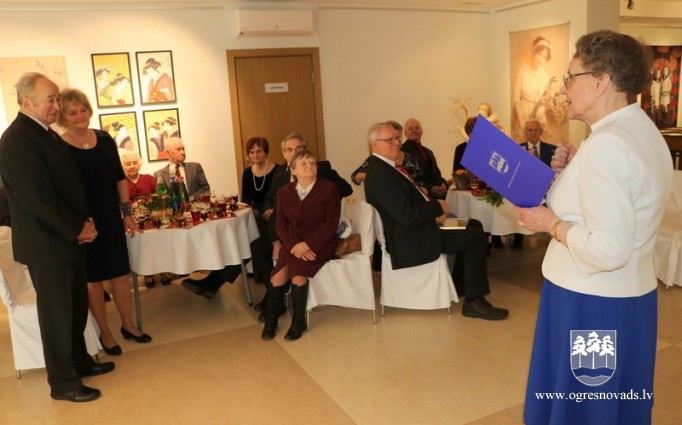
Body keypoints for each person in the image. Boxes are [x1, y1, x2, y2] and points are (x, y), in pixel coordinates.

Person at [516, 30, 672, 425]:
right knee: (614, 402)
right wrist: (574, 172)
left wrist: (551, 223)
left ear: (601, 81)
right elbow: (628, 196)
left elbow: (607, 248)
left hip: (590, 300)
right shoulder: (636, 128)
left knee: (586, 406)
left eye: (571, 78)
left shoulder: (608, 144)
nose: (563, 89)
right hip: (627, 294)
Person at [0, 73, 115, 402]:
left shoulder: (43, 132)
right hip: (48, 244)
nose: (57, 105)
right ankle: (63, 383)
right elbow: (38, 199)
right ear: (27, 102)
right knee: (57, 316)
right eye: (50, 99)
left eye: (56, 98)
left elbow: (67, 185)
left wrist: (85, 221)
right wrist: (76, 228)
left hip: (65, 238)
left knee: (75, 308)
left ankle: (79, 362)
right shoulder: (17, 139)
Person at [365, 121, 509, 321]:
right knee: (475, 236)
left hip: (422, 227)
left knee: (472, 224)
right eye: (390, 140)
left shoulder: (385, 167)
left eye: (397, 138)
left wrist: (433, 213)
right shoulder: (380, 173)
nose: (397, 143)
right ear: (375, 144)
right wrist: (437, 208)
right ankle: (474, 301)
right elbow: (406, 214)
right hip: (414, 238)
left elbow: (408, 205)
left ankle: (460, 283)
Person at [58, 88, 152, 358]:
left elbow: (119, 178)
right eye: (72, 113)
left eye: (83, 110)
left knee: (120, 275)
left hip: (111, 217)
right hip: (84, 221)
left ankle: (128, 325)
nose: (80, 116)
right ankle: (105, 332)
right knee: (94, 281)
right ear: (62, 117)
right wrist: (80, 224)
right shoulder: (60, 146)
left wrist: (127, 213)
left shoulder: (104, 137)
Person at [261, 150, 341, 341]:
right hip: (292, 243)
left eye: (312, 163)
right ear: (293, 170)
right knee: (277, 275)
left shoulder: (329, 188)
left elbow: (331, 224)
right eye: (304, 164)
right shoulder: (284, 192)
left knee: (298, 274)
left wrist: (308, 244)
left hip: (320, 243)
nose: (309, 166)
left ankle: (298, 321)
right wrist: (294, 246)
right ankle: (271, 321)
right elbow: (281, 224)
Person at [121, 151, 168, 288]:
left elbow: (160, 197)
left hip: (151, 219)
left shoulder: (148, 178)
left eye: (135, 163)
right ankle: (148, 274)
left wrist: (150, 202)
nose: (132, 166)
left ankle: (163, 270)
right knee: (142, 247)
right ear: (123, 166)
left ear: (140, 164)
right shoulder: (121, 183)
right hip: (133, 221)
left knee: (157, 244)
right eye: (128, 164)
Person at [508, 119, 556, 250]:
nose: (533, 133)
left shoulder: (552, 149)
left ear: (541, 132)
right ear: (525, 132)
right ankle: (518, 237)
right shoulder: (517, 149)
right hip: (523, 189)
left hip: (546, 189)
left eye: (536, 130)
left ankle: (552, 236)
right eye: (530, 130)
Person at [512, 36, 556, 140]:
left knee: (541, 146)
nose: (541, 60)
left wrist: (549, 102)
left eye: (544, 57)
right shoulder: (523, 71)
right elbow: (516, 99)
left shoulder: (545, 76)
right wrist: (522, 124)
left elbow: (546, 100)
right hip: (523, 114)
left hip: (539, 116)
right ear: (534, 52)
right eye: (539, 54)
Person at [401, 118, 448, 199]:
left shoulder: (429, 152)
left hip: (437, 197)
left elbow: (436, 174)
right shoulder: (402, 151)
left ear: (422, 131)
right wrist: (430, 189)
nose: (414, 130)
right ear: (405, 133)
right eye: (410, 129)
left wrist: (443, 185)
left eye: (417, 128)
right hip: (418, 197)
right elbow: (409, 178)